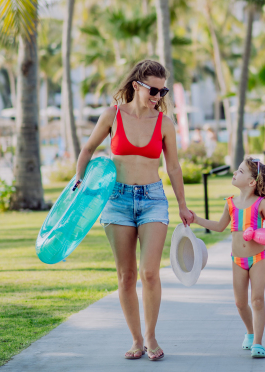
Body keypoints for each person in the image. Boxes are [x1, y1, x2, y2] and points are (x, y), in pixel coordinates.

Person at [75, 60, 192, 361]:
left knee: (149, 272)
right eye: (154, 89)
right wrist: (78, 178)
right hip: (117, 200)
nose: (158, 95)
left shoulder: (164, 122)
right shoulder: (112, 115)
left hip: (153, 198)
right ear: (137, 85)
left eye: (163, 90)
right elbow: (88, 149)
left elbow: (174, 166)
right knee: (126, 275)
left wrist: (182, 204)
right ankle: (136, 340)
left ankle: (152, 337)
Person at [188, 158, 265, 358]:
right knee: (240, 303)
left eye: (240, 171)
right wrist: (197, 219)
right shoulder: (230, 203)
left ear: (252, 182)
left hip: (257, 258)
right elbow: (219, 226)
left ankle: (258, 342)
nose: (235, 172)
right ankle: (250, 332)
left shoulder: (261, 203)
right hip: (238, 261)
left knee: (257, 300)